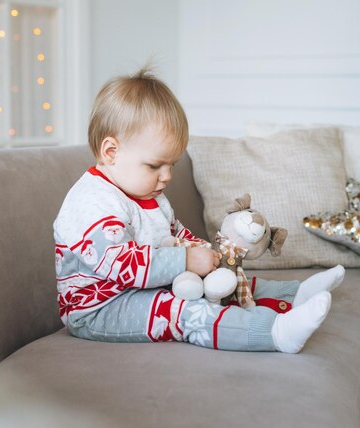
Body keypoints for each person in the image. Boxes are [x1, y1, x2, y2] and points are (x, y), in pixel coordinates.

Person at [53, 67, 345, 353]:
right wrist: (185, 260)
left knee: (226, 281)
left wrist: (209, 255)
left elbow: (175, 234)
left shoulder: (149, 193)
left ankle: (294, 294)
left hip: (145, 288)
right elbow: (122, 265)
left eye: (172, 165)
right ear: (111, 152)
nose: (166, 176)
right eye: (155, 165)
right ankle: (273, 333)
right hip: (101, 308)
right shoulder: (91, 201)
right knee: (183, 313)